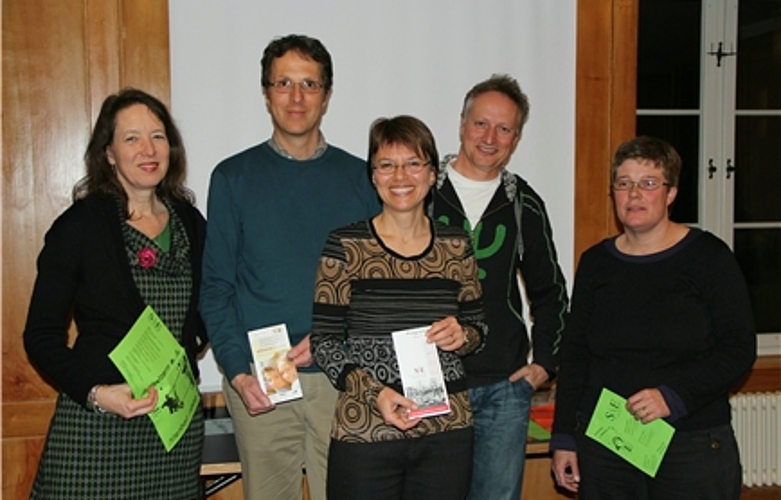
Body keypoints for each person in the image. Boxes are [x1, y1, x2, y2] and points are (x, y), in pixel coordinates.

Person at [200, 34, 380, 500]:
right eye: (283, 83)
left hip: (344, 378)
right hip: (262, 380)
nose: (296, 97)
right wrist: (238, 372)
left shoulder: (361, 178)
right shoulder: (232, 178)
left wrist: (335, 342)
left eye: (309, 84)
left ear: (327, 95)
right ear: (266, 93)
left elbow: (375, 286)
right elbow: (216, 288)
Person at [23, 88, 208, 499]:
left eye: (158, 136)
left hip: (170, 429)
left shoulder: (192, 223)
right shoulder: (79, 227)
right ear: (108, 153)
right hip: (100, 426)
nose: (148, 149)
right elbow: (40, 335)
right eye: (132, 138)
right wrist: (97, 393)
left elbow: (204, 310)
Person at [551, 136, 756, 499]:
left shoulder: (709, 258)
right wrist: (564, 436)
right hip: (608, 445)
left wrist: (672, 397)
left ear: (671, 193)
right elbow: (576, 354)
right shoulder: (596, 263)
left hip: (691, 442)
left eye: (648, 184)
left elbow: (738, 349)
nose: (634, 194)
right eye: (624, 184)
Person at [310, 115, 488, 499]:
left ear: (431, 173)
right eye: (386, 165)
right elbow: (324, 342)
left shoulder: (456, 245)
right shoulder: (345, 245)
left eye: (413, 163)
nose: (400, 176)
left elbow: (478, 328)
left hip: (446, 431)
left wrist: (463, 335)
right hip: (365, 425)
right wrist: (375, 394)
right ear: (373, 176)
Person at [429, 74, 568, 499]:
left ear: (517, 137)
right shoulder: (419, 192)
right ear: (461, 125)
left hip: (504, 389)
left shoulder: (524, 203)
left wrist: (545, 363)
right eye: (481, 124)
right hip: (431, 386)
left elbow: (550, 292)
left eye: (504, 128)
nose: (490, 137)